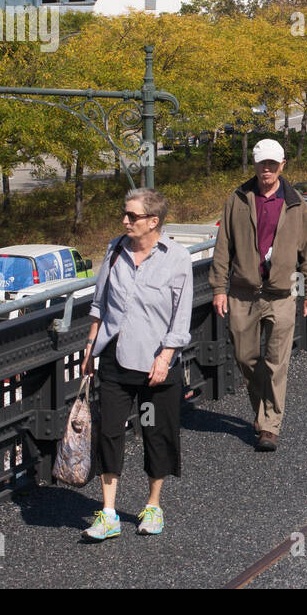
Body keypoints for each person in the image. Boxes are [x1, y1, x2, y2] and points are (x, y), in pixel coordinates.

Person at [82, 188, 193, 540]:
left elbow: (181, 316)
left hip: (155, 365)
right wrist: (89, 348)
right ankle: (109, 512)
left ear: (153, 221)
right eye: (125, 214)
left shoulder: (176, 258)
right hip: (115, 359)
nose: (125, 220)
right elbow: (99, 304)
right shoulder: (115, 250)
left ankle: (153, 505)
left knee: (155, 432)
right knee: (110, 432)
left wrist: (166, 357)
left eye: (132, 216)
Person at [209, 139, 307, 453]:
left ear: (282, 164)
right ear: (255, 165)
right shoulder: (238, 199)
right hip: (243, 293)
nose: (268, 169)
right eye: (262, 164)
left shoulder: (296, 203)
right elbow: (223, 246)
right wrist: (219, 288)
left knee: (276, 363)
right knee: (246, 358)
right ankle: (263, 410)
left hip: (282, 294)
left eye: (273, 163)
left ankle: (269, 426)